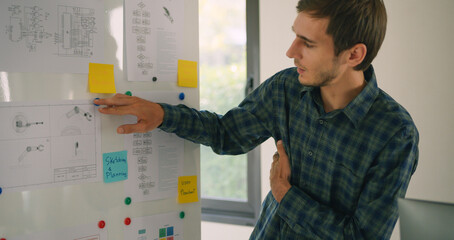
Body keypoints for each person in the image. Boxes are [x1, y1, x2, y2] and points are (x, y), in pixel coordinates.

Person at [94, 0, 419, 238]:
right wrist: (163, 114)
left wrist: (285, 195)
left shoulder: (395, 134)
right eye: (296, 36)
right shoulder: (286, 88)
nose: (291, 52)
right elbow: (227, 134)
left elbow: (363, 237)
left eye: (308, 43)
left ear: (354, 55)